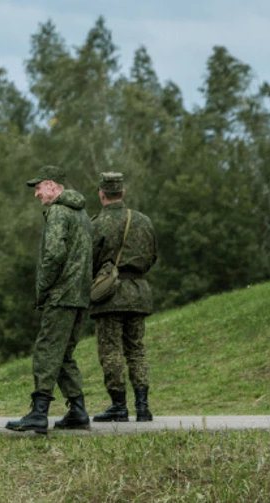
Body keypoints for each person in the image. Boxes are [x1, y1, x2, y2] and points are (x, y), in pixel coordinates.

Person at [7, 166, 93, 435]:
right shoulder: (82, 214)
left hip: (61, 294)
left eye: (39, 188)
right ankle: (77, 410)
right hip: (80, 295)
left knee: (46, 350)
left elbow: (54, 254)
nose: (36, 194)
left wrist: (43, 288)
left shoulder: (58, 211)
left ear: (53, 186)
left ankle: (39, 412)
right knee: (64, 353)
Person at [90, 172, 158, 422]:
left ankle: (118, 405)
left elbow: (89, 260)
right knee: (137, 350)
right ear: (123, 193)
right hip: (138, 293)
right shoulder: (143, 221)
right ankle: (143, 406)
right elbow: (152, 256)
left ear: (101, 193)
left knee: (111, 351)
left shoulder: (96, 223)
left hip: (109, 296)